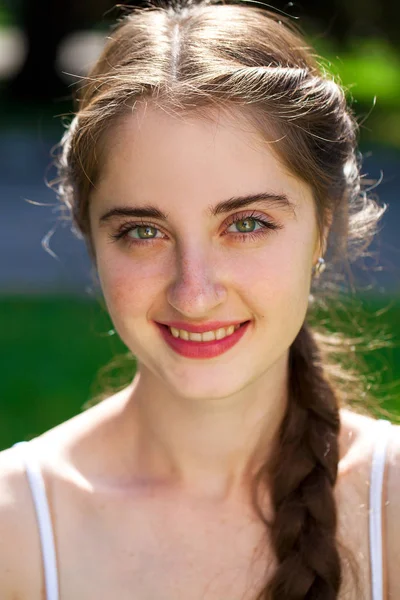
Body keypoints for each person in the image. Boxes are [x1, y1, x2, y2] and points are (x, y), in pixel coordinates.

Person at [0, 1, 399, 598]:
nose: (194, 293)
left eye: (246, 224)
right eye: (143, 231)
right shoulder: (17, 528)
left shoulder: (388, 512)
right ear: (90, 234)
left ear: (323, 226)